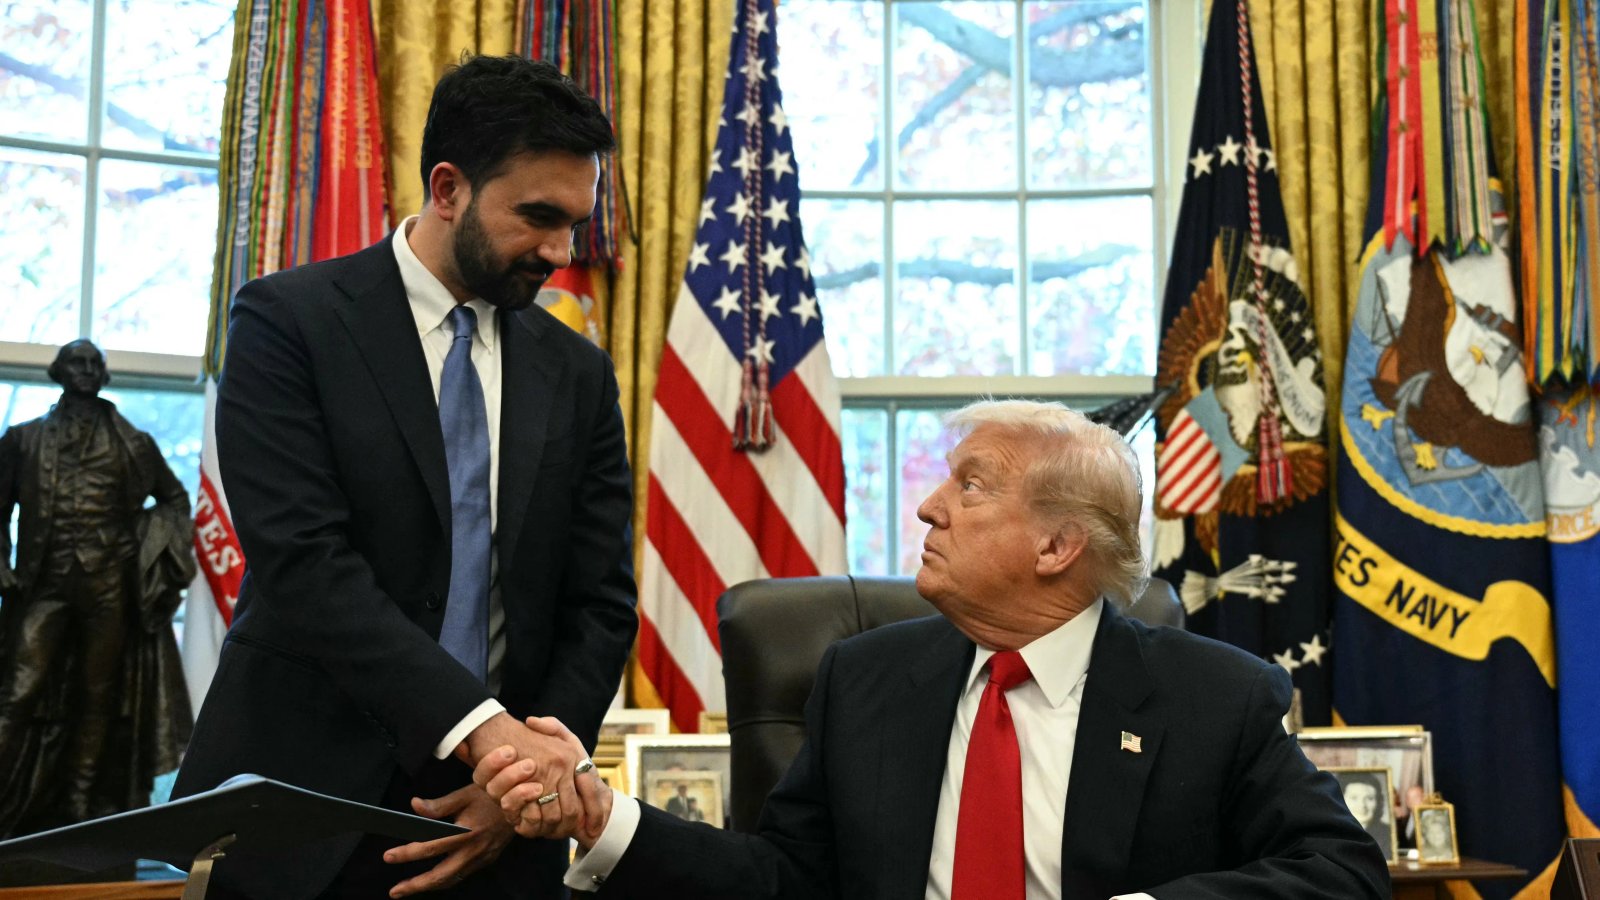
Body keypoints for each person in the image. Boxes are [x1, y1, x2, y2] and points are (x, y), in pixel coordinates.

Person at [478, 400, 1391, 898]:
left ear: (1057, 546)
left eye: (971, 486)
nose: (927, 508)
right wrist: (605, 817)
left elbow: (1343, 871)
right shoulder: (867, 678)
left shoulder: (1214, 697)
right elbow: (785, 877)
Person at [173, 55, 635, 900]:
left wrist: (525, 779)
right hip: (302, 811)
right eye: (537, 216)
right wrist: (489, 736)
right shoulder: (289, 322)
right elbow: (305, 564)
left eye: (575, 222)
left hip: (504, 828)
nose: (561, 252)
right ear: (449, 186)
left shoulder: (577, 371)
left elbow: (600, 600)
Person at [0, 340, 193, 838]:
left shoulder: (134, 443)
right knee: (18, 692)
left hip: (108, 587)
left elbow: (174, 501)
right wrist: (1, 564)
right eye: (77, 362)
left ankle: (80, 806)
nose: (86, 370)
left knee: (97, 695)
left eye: (94, 363)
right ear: (57, 371)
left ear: (104, 375)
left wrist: (143, 543)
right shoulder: (23, 440)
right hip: (44, 584)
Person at [1338, 772, 1394, 861]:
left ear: (1378, 802)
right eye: (1354, 798)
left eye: (1369, 798)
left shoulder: (1389, 835)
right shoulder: (1327, 833)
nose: (1362, 805)